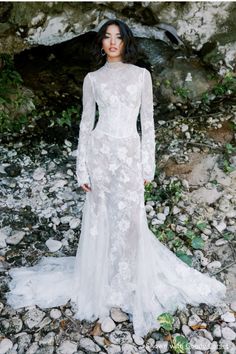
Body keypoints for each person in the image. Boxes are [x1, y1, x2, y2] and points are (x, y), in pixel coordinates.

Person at [6, 19, 227, 338]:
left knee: (131, 218)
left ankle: (130, 280)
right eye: (107, 37)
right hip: (100, 154)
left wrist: (146, 167)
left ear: (126, 42)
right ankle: (103, 279)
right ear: (101, 43)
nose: (112, 42)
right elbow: (85, 124)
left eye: (118, 37)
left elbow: (148, 124)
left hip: (128, 153)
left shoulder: (141, 76)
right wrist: (82, 168)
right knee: (102, 217)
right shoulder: (92, 79)